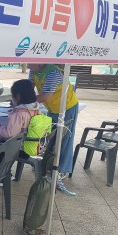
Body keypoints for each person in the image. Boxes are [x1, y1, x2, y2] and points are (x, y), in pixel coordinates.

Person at [28, 64, 79, 195]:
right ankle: (47, 166)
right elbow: (28, 89)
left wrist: (21, 100)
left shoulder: (53, 73)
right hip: (53, 108)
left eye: (29, 60)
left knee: (64, 139)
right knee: (51, 137)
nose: (26, 63)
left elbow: (45, 96)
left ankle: (59, 171)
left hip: (67, 107)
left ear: (39, 61)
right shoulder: (33, 71)